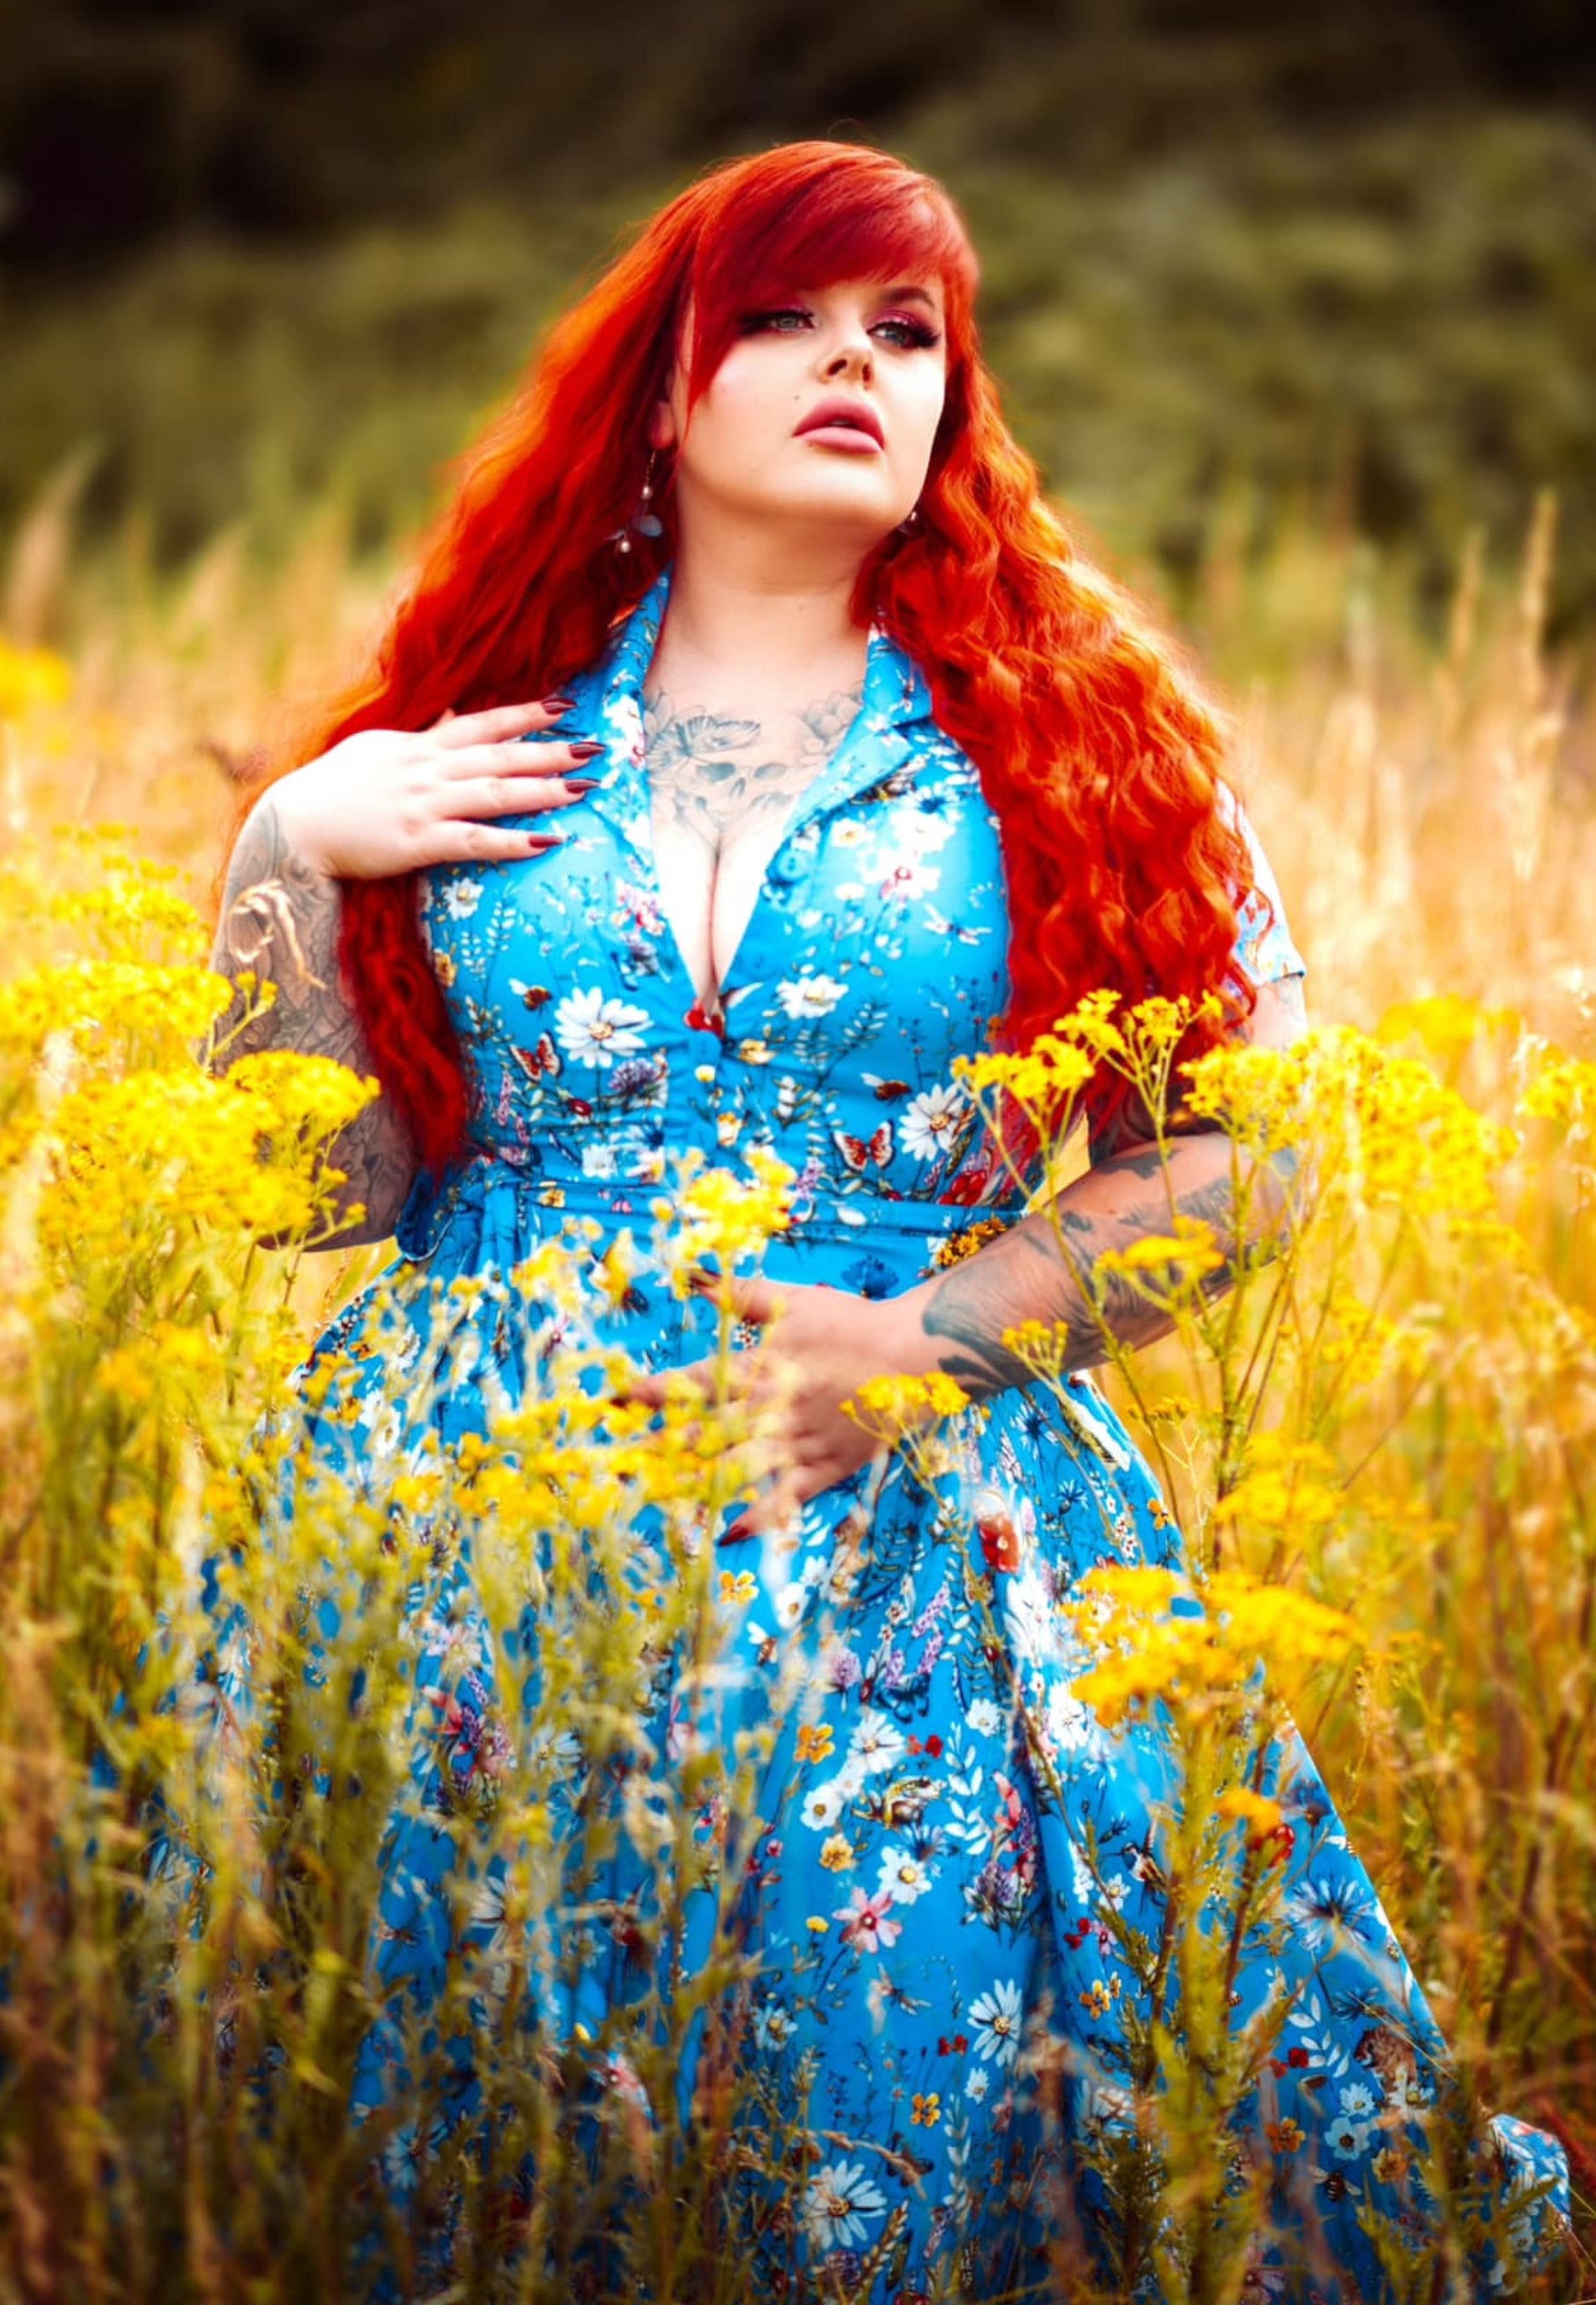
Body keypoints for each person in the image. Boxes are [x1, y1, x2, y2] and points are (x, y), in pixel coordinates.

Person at [208, 141, 1567, 2299]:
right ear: (661, 393)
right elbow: (305, 1201)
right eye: (783, 318)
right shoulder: (461, 750)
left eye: (904, 334)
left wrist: (935, 1339)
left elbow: (1256, 1157)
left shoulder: (1083, 743)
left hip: (923, 1544)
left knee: (892, 2123)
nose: (851, 361)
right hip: (457, 1561)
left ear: (949, 407)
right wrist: (286, 849)